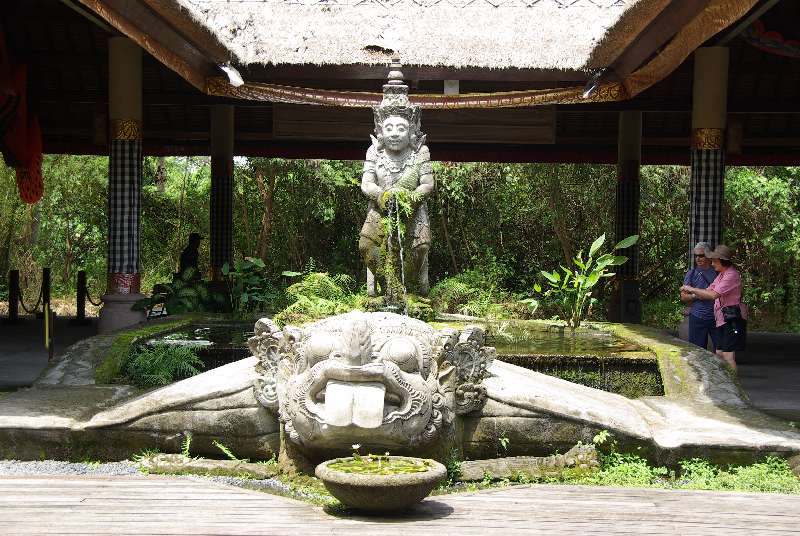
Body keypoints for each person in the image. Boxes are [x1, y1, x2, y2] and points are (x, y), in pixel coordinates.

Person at [681, 244, 747, 370]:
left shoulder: (731, 275)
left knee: (728, 356)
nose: (712, 264)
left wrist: (691, 289)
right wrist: (695, 293)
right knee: (719, 353)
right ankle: (721, 380)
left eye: (714, 261)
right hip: (720, 319)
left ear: (722, 261)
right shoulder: (721, 275)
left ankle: (732, 382)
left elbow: (713, 295)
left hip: (730, 319)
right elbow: (708, 290)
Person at [680, 242, 720, 351]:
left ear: (708, 256)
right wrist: (696, 296)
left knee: (721, 352)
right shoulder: (691, 273)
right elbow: (683, 297)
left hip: (717, 317)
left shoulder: (717, 272)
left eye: (701, 255)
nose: (698, 258)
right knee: (697, 352)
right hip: (697, 317)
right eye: (696, 256)